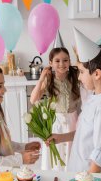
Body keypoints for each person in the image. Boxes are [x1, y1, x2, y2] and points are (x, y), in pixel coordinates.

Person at [47, 28, 101, 173]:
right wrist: (61, 138)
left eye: (81, 72)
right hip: (79, 172)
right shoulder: (94, 99)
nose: (79, 77)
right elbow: (85, 134)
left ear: (97, 74)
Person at [30, 31, 81, 170]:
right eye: (57, 61)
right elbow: (33, 99)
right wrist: (41, 79)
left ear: (70, 61)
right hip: (56, 122)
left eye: (65, 60)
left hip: (73, 120)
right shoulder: (49, 80)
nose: (62, 64)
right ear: (50, 63)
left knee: (71, 152)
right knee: (57, 152)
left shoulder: (76, 76)